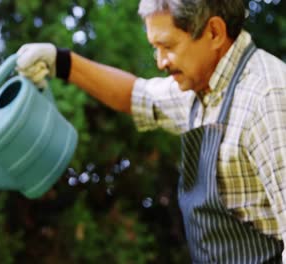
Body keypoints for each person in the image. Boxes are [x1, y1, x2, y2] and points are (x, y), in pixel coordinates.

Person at [15, 0, 286, 263]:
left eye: (167, 46)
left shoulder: (267, 97)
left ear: (214, 32)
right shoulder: (201, 87)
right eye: (154, 48)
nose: (160, 62)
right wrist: (60, 61)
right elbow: (137, 96)